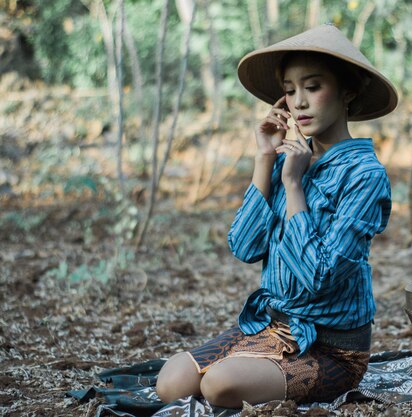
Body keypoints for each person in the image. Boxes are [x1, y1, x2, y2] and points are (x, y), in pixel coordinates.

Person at [156, 24, 398, 408]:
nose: (298, 102)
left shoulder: (364, 175)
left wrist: (293, 185)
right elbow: (244, 245)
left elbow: (320, 276)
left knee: (218, 386)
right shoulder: (286, 159)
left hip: (332, 348)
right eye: (289, 90)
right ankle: (250, 362)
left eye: (313, 87)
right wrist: (265, 157)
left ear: (348, 92)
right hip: (274, 327)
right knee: (171, 382)